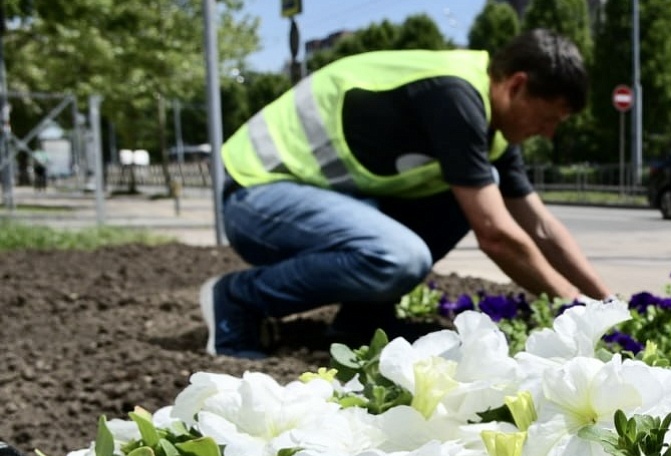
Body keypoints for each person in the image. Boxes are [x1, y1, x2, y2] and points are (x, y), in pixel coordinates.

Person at [205, 30, 613, 358]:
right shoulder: (454, 96)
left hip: (324, 203)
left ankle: (362, 320)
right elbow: (495, 235)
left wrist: (606, 305)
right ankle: (238, 299)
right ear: (517, 85)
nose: (549, 133)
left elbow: (540, 227)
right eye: (548, 118)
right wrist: (570, 305)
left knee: (477, 184)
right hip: (256, 196)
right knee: (398, 257)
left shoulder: (494, 131)